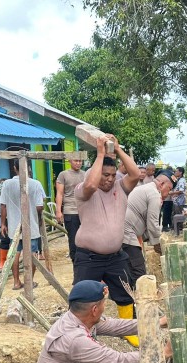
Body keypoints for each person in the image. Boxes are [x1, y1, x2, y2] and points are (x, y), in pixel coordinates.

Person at [73, 134, 142, 345]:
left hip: (115, 256)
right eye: (105, 175)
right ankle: (79, 331)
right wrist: (101, 154)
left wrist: (118, 150)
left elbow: (136, 173)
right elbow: (91, 185)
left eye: (112, 175)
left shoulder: (120, 188)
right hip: (89, 256)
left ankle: (128, 330)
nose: (110, 179)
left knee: (125, 292)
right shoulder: (83, 190)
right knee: (83, 293)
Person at [122, 169, 175, 286]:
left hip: (123, 231)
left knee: (126, 267)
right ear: (162, 184)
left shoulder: (145, 188)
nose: (168, 193)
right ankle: (138, 298)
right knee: (139, 271)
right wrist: (158, 244)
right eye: (169, 189)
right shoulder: (154, 194)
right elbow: (153, 223)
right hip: (126, 233)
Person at [0, 158, 45, 290]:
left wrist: (3, 223)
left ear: (15, 168)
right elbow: (39, 206)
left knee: (15, 253)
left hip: (14, 225)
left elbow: (3, 205)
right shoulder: (35, 184)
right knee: (32, 253)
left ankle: (16, 282)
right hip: (31, 226)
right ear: (29, 169)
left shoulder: (7, 184)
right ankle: (29, 281)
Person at [54, 158, 85, 263]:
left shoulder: (85, 174)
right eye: (76, 160)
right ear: (70, 161)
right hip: (70, 211)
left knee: (86, 239)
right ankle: (75, 263)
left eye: (80, 161)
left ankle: (86, 262)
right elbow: (59, 193)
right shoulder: (63, 175)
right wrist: (58, 211)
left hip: (85, 212)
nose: (78, 163)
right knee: (73, 240)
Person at [163, 167, 186, 231]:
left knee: (178, 214)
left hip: (179, 202)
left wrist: (172, 193)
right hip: (176, 201)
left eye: (176, 171)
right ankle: (175, 228)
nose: (175, 172)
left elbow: (181, 191)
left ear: (180, 172)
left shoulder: (181, 181)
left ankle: (179, 229)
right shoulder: (178, 179)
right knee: (175, 214)